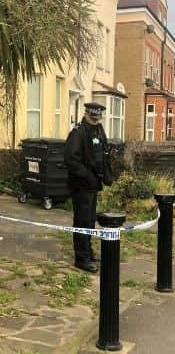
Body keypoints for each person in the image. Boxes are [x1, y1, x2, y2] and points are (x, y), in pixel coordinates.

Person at [64, 102, 113, 273]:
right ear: (86, 114)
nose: (95, 119)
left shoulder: (99, 130)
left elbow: (104, 153)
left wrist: (107, 175)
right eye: (93, 116)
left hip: (93, 185)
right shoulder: (78, 133)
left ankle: (88, 251)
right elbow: (71, 160)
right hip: (81, 185)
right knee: (82, 221)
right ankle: (81, 258)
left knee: (91, 220)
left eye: (98, 116)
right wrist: (88, 176)